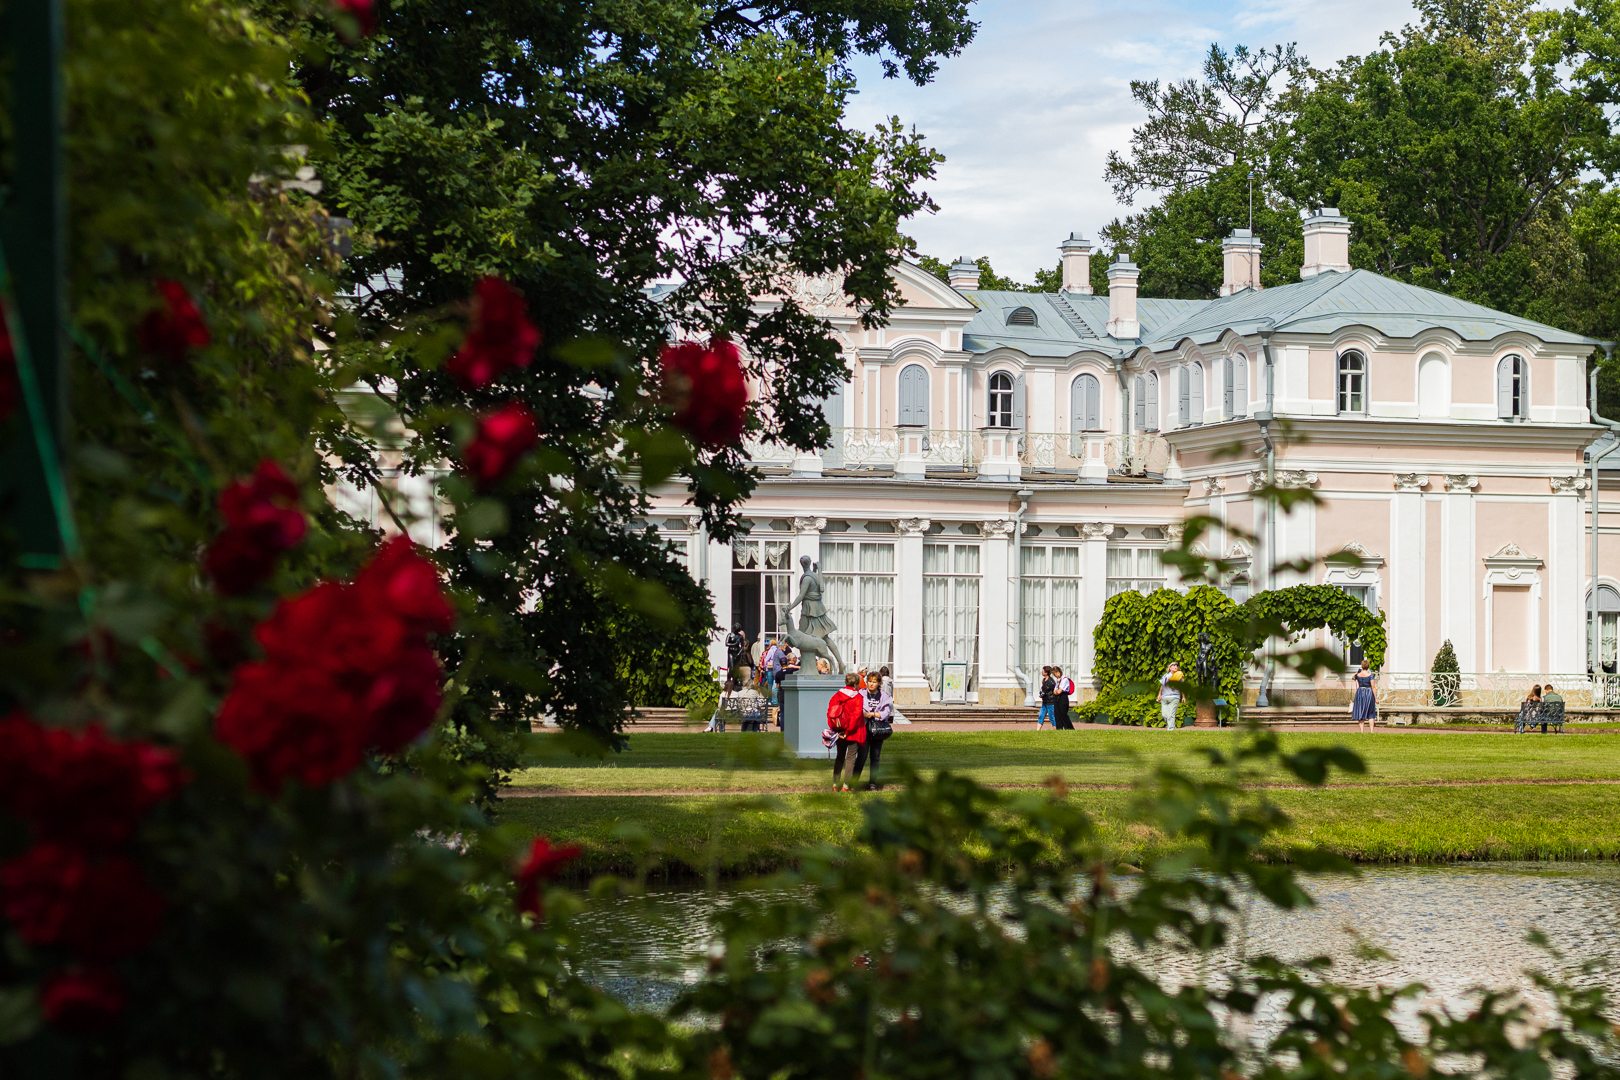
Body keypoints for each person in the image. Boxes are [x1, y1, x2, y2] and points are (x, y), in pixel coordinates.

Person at [784, 555, 844, 670]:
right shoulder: (815, 575)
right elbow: (821, 588)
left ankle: (807, 667)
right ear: (810, 562)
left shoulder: (807, 578)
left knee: (802, 636)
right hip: (818, 608)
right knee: (824, 638)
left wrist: (790, 607)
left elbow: (801, 596)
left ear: (801, 564)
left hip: (809, 610)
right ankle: (840, 662)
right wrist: (817, 570)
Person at [827, 672, 867, 792]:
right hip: (853, 732)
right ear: (855, 684)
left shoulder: (836, 696)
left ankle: (835, 784)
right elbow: (856, 716)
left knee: (840, 757)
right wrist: (848, 731)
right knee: (851, 758)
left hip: (839, 730)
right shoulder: (858, 697)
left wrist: (835, 729)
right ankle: (845, 786)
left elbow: (830, 713)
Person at [859, 671, 894, 790]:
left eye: (874, 682)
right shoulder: (861, 694)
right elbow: (856, 708)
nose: (871, 684)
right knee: (861, 756)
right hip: (864, 728)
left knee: (875, 757)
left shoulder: (883, 696)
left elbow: (886, 712)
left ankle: (872, 783)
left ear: (879, 683)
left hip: (878, 729)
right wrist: (863, 714)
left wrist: (873, 714)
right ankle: (854, 781)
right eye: (869, 681)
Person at [1351, 659, 1378, 733]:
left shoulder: (1358, 675)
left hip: (1360, 693)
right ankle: (1371, 731)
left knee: (1360, 710)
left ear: (1362, 666)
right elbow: (1373, 687)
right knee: (1371, 712)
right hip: (1368, 693)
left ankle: (1362, 730)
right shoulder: (1370, 676)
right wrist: (1376, 698)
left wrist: (1357, 672)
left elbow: (1353, 677)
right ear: (1368, 666)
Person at [1158, 662, 1183, 730]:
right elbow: (1162, 685)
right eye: (1173, 665)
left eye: (1176, 665)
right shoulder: (1165, 676)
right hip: (1164, 697)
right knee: (1164, 715)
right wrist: (1159, 694)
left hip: (1174, 697)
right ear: (1170, 667)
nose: (1175, 666)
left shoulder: (1179, 675)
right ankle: (1171, 725)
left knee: (1171, 714)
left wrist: (1183, 697)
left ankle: (1170, 729)